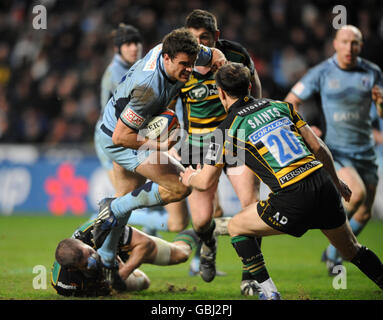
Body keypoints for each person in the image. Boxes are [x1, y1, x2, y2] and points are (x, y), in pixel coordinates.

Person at [180, 62, 383, 299]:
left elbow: (205, 182)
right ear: (248, 86)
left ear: (221, 93)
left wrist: (189, 177)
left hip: (292, 195)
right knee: (352, 250)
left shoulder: (225, 130)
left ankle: (269, 293)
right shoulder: (280, 106)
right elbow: (319, 147)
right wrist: (336, 182)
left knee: (236, 226)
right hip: (323, 184)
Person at [92, 27, 226, 289]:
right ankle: (113, 208)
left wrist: (220, 60)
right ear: (166, 58)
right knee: (179, 186)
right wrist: (160, 145)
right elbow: (122, 137)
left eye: (191, 64)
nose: (188, 71)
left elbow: (214, 56)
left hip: (128, 128)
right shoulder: (148, 89)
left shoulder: (179, 52)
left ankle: (107, 260)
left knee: (126, 204)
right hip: (119, 139)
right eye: (183, 66)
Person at [171, 9, 261, 290]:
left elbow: (255, 90)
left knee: (251, 209)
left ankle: (252, 275)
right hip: (196, 144)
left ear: (216, 37)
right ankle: (208, 244)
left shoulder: (236, 55)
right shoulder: (180, 61)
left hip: (234, 138)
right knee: (200, 222)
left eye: (205, 38)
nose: (199, 45)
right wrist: (171, 140)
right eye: (194, 38)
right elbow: (166, 106)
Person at [285, 25, 383, 275]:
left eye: (355, 43)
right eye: (345, 42)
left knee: (364, 212)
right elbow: (289, 102)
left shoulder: (372, 72)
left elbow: (381, 114)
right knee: (356, 195)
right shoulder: (322, 72)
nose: (349, 48)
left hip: (367, 152)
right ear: (335, 44)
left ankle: (331, 254)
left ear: (361, 46)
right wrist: (303, 128)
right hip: (338, 151)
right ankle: (335, 244)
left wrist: (381, 105)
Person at [95, 23, 188, 237]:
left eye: (136, 42)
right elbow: (123, 123)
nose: (134, 47)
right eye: (128, 44)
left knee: (132, 198)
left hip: (131, 132)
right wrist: (161, 144)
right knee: (129, 199)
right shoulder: (120, 74)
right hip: (117, 135)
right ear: (118, 48)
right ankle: (106, 217)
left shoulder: (155, 56)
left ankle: (110, 255)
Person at [51, 218, 200, 297]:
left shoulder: (100, 231)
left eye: (91, 252)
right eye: (87, 263)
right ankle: (132, 274)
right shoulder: (64, 284)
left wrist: (123, 272)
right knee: (143, 283)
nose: (94, 258)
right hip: (109, 270)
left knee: (182, 255)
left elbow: (145, 244)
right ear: (71, 269)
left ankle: (198, 231)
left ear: (84, 244)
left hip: (121, 247)